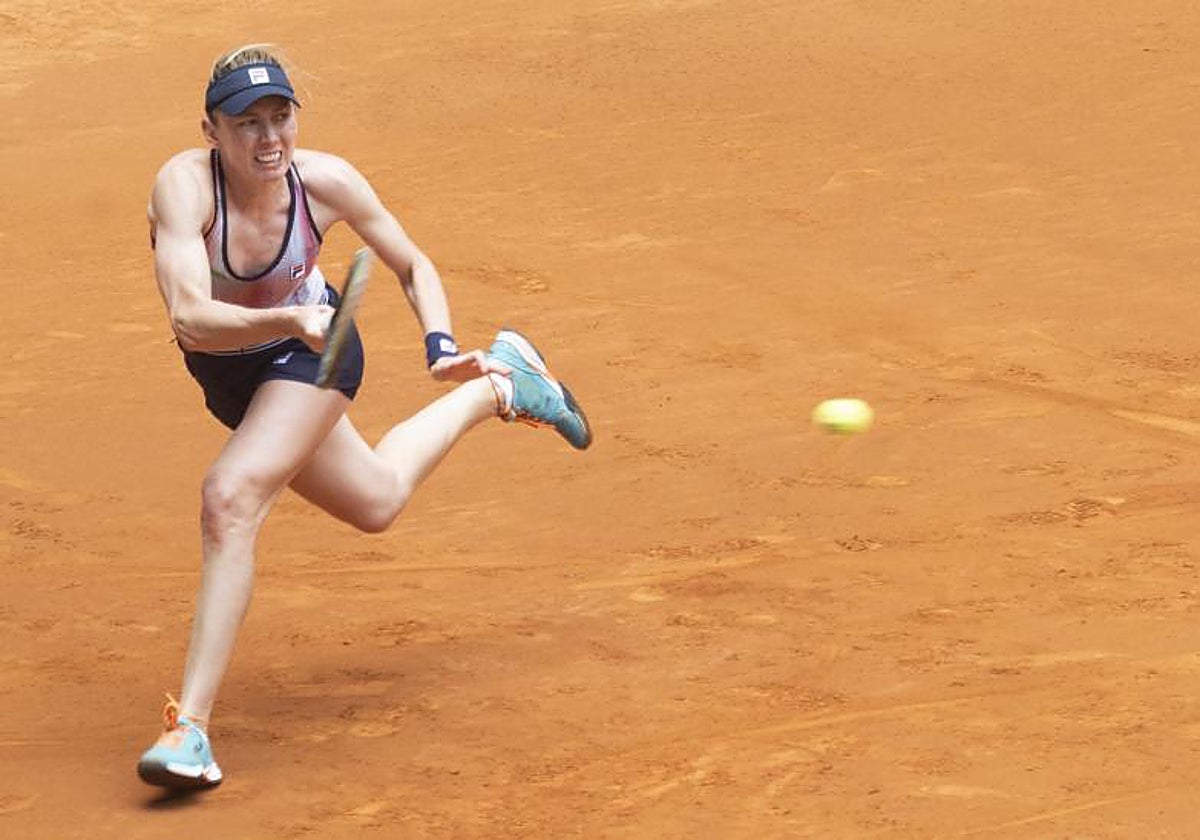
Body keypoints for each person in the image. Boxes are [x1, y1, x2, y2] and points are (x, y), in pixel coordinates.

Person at [136, 44, 591, 790]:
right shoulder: (184, 189)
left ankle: (190, 729)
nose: (268, 138)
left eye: (280, 117)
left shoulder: (325, 183)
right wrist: (288, 318)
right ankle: (502, 386)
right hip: (243, 365)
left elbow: (413, 264)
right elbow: (190, 318)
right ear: (210, 131)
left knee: (231, 497)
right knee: (376, 500)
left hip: (315, 357)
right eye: (246, 123)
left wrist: (439, 342)